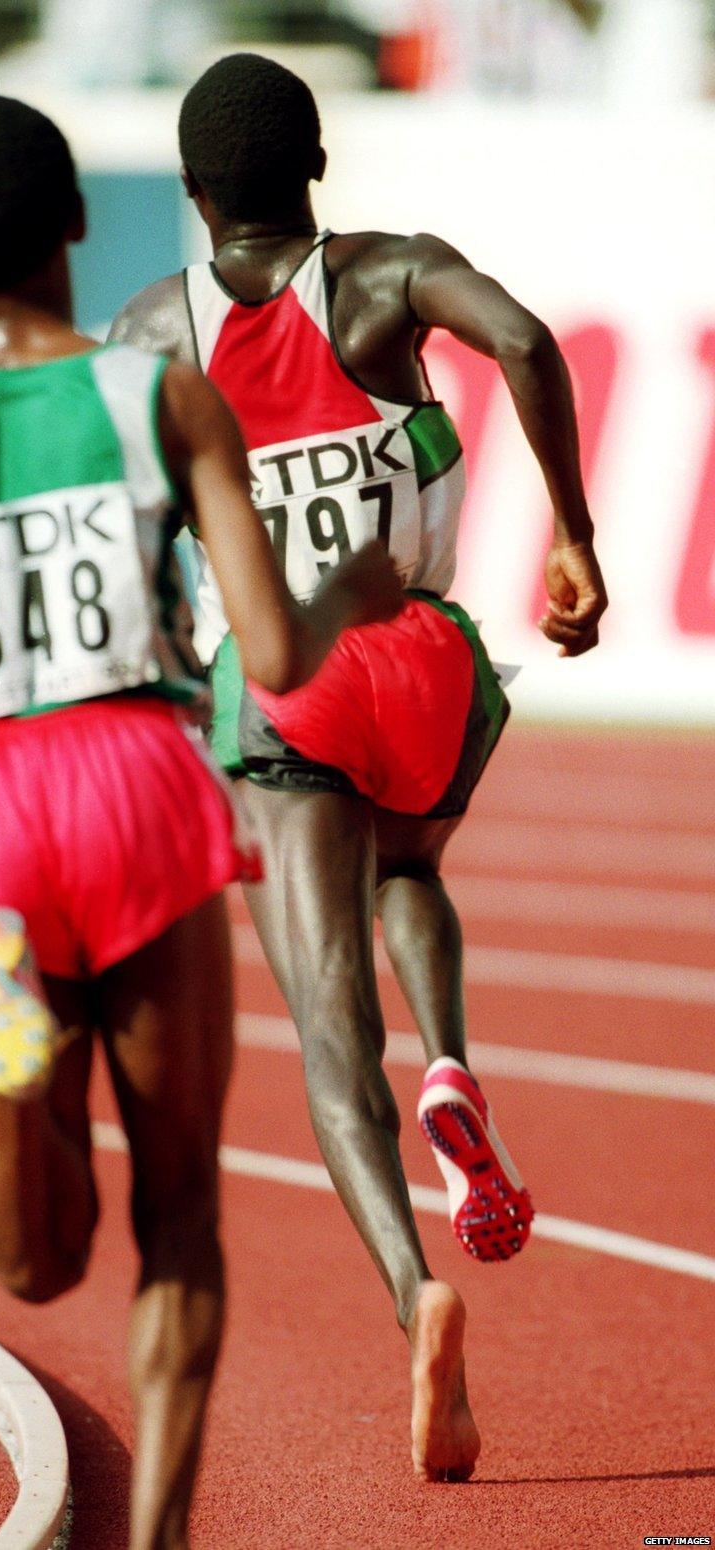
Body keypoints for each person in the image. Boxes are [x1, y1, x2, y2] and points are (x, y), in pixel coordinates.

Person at [0, 94, 405, 1548]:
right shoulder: (159, 397)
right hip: (140, 785)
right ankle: (158, 1538)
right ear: (82, 226)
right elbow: (279, 660)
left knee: (33, 1261)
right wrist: (360, 589)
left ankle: (11, 1042)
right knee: (179, 1218)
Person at [110, 51, 608, 1483]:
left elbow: (126, 498)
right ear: (318, 166)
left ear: (196, 193)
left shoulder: (155, 326)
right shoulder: (387, 276)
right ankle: (455, 1054)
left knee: (330, 1036)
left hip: (285, 681)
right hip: (428, 658)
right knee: (412, 866)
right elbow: (523, 341)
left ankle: (415, 1293)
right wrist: (573, 533)